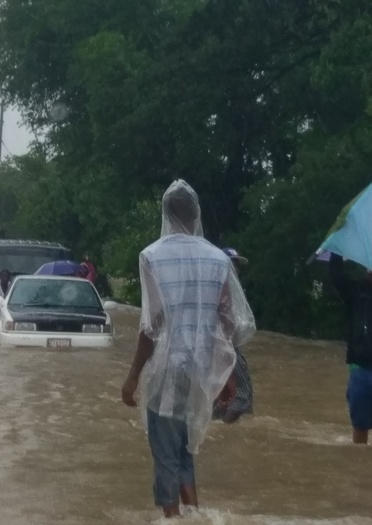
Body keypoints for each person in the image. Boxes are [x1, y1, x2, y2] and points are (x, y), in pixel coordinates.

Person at [120, 180, 255, 518]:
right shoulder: (217, 259)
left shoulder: (151, 256)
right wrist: (227, 375)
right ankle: (194, 513)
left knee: (165, 453)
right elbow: (227, 323)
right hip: (201, 369)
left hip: (167, 370)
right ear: (196, 215)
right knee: (184, 450)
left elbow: (151, 326)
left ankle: (171, 517)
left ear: (166, 213)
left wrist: (133, 376)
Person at [329, 252, 372, 444]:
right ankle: (358, 461)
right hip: (360, 368)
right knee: (360, 424)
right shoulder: (356, 292)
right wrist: (336, 252)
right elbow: (337, 278)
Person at [211, 247, 255, 424]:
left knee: (220, 397)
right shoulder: (222, 289)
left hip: (223, 347)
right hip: (226, 347)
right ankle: (225, 429)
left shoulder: (226, 289)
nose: (236, 269)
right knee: (240, 397)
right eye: (232, 264)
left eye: (237, 265)